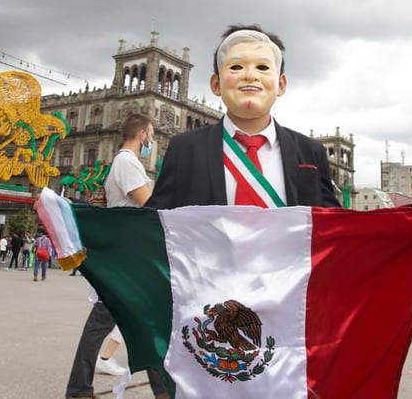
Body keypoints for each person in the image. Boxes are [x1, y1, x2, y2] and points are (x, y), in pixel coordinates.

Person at [148, 24, 341, 210]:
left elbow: (333, 226)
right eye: (237, 67)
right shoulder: (184, 149)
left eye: (263, 67)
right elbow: (154, 224)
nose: (250, 75)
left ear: (281, 84)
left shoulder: (310, 152)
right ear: (216, 84)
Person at [66, 113, 166, 399]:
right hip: (129, 261)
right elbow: (149, 207)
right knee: (112, 325)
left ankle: (161, 390)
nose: (153, 141)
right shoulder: (127, 162)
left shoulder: (124, 163)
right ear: (143, 136)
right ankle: (77, 389)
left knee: (147, 324)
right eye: (152, 135)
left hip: (130, 258)